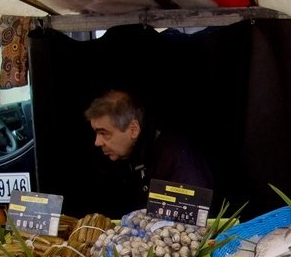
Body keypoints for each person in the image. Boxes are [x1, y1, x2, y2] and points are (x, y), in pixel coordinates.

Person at [84, 89, 213, 216]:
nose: (97, 142)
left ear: (133, 129)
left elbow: (190, 220)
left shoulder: (176, 158)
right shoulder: (117, 156)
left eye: (103, 133)